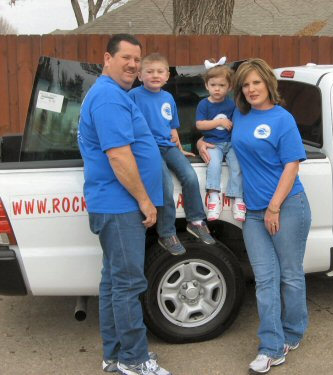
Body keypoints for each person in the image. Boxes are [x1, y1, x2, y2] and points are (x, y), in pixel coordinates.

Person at [198, 58, 311, 374]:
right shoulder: (240, 115)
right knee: (265, 280)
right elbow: (220, 136)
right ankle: (271, 347)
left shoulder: (282, 119)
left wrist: (274, 206)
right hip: (252, 212)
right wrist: (200, 142)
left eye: (255, 83)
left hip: (286, 207)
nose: (250, 89)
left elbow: (292, 166)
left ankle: (293, 332)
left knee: (289, 275)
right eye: (245, 85)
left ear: (267, 84)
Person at [78, 34, 171, 375]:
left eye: (137, 59)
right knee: (129, 284)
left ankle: (115, 356)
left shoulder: (113, 94)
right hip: (120, 207)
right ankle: (134, 359)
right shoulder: (108, 98)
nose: (133, 64)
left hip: (116, 205)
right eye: (126, 58)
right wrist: (145, 200)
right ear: (107, 58)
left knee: (114, 283)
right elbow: (118, 156)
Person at [129, 52, 215, 256]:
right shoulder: (133, 96)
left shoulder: (168, 98)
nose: (155, 75)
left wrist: (180, 147)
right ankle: (166, 233)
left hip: (168, 147)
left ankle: (196, 221)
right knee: (165, 187)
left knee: (190, 177)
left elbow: (171, 127)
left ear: (167, 76)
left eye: (160, 71)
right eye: (149, 72)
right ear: (140, 75)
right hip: (148, 150)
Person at [196, 57, 246, 222]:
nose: (217, 89)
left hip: (230, 144)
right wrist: (219, 122)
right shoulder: (204, 104)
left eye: (222, 85)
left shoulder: (232, 105)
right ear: (206, 86)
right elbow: (200, 125)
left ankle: (238, 198)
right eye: (213, 85)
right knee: (214, 164)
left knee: (237, 165)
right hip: (213, 144)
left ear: (229, 87)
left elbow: (238, 125)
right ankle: (214, 197)